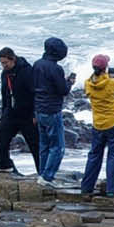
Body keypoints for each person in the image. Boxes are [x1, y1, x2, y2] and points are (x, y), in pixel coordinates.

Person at [80, 54, 114, 197]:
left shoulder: (88, 83)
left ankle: (87, 186)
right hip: (113, 123)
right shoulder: (110, 83)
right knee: (113, 155)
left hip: (97, 124)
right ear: (105, 68)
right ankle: (112, 189)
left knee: (94, 155)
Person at [32, 37, 73, 184]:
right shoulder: (55, 68)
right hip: (52, 110)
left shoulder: (37, 64)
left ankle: (42, 173)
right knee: (57, 147)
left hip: (39, 108)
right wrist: (69, 82)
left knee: (44, 145)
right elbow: (62, 90)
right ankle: (47, 176)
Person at [0, 46, 40, 174]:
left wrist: (35, 113)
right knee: (1, 135)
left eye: (5, 62)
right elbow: (5, 94)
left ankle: (42, 172)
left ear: (12, 59)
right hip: (11, 113)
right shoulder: (5, 73)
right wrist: (4, 113)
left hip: (27, 114)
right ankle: (4, 165)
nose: (3, 65)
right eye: (2, 63)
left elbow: (35, 93)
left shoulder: (27, 71)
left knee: (34, 145)